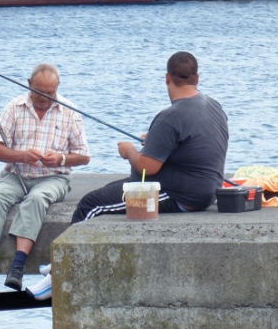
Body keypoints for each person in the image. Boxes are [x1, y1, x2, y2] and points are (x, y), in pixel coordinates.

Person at [26, 51, 228, 300]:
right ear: (197, 78)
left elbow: (146, 167)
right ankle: (58, 262)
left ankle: (59, 274)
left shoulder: (169, 117)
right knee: (109, 190)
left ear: (167, 78)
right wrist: (153, 141)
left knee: (91, 205)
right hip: (207, 190)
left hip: (178, 195)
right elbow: (194, 144)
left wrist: (129, 151)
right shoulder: (213, 105)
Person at [0, 63, 91, 292]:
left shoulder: (70, 111)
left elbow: (84, 156)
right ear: (28, 84)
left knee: (36, 199)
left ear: (57, 88)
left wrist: (61, 159)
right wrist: (21, 156)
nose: (45, 98)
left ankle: (17, 267)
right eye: (39, 92)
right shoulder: (14, 107)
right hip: (16, 175)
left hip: (53, 178)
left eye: (50, 93)